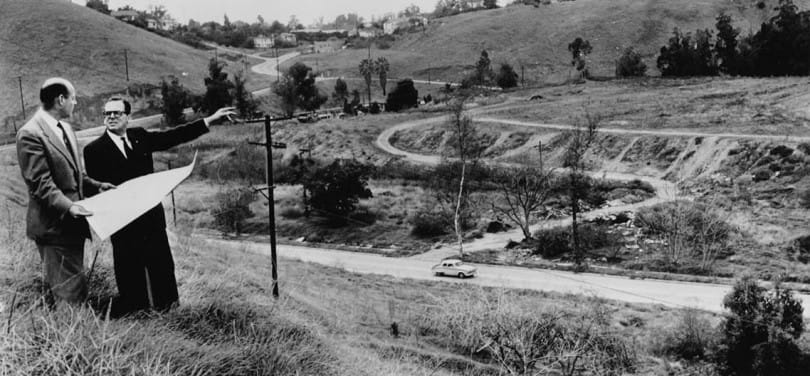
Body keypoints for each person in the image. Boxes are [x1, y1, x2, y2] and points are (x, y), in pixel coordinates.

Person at [83, 97, 235, 317]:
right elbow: (93, 190)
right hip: (123, 224)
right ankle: (138, 317)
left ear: (128, 116)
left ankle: (171, 314)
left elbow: (173, 136)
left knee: (162, 269)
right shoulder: (94, 150)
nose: (111, 117)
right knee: (129, 274)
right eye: (107, 114)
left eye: (117, 113)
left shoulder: (140, 136)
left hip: (151, 221)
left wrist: (209, 121)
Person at [16, 78, 115, 304]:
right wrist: (69, 207)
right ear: (61, 100)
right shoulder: (30, 134)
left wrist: (96, 185)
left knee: (75, 288)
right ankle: (70, 335)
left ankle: (73, 333)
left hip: (71, 226)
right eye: (73, 98)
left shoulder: (66, 129)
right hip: (53, 229)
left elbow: (73, 174)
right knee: (69, 294)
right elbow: (41, 184)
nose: (75, 102)